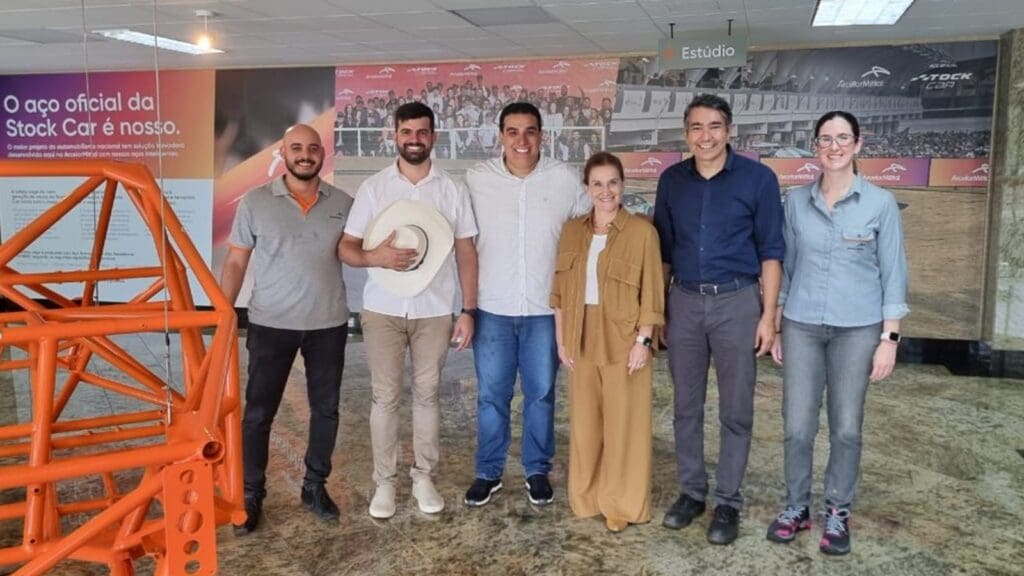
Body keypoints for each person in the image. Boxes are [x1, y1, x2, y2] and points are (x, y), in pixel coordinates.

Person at [766, 111, 909, 556]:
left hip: (858, 331)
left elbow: (894, 274)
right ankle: (795, 507)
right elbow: (786, 270)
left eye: (842, 137)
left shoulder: (880, 204)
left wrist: (890, 339)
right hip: (802, 326)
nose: (834, 146)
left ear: (858, 144)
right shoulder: (795, 204)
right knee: (796, 427)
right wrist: (776, 326)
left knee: (846, 427)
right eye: (825, 138)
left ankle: (837, 511)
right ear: (815, 146)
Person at [653, 93, 784, 545]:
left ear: (729, 131)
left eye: (713, 127)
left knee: (736, 410)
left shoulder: (758, 179)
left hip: (738, 303)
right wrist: (659, 311)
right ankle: (691, 492)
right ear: (685, 133)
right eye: (696, 127)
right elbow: (664, 254)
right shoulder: (671, 181)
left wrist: (769, 316)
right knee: (685, 407)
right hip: (684, 302)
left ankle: (728, 501)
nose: (704, 136)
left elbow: (771, 252)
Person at [339, 102, 478, 519]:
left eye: (421, 132)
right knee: (384, 398)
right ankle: (384, 484)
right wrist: (375, 257)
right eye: (406, 132)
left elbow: (467, 251)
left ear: (433, 137)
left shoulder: (451, 190)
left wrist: (468, 309)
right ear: (394, 136)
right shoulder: (375, 188)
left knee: (428, 395)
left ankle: (423, 476)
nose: (414, 139)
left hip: (434, 311)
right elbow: (347, 247)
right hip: (382, 310)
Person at [221, 124, 352, 534]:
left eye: (313, 148)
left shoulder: (344, 202)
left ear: (322, 154)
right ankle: (250, 492)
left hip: (327, 324)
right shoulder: (256, 202)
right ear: (283, 152)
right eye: (297, 148)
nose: (305, 154)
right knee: (258, 415)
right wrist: (222, 313)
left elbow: (356, 250)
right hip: (270, 324)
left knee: (326, 411)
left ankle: (314, 486)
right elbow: (237, 262)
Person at [464, 102, 590, 507]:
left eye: (531, 131)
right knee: (491, 396)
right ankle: (488, 471)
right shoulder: (475, 180)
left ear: (543, 135)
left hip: (544, 311)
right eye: (513, 131)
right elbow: (460, 241)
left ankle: (537, 469)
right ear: (500, 135)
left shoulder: (566, 180)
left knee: (541, 394)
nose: (522, 140)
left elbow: (592, 230)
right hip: (492, 309)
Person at [551, 152, 664, 533]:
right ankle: (586, 497)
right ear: (587, 188)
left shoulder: (642, 233)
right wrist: (561, 339)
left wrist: (643, 341)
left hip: (624, 339)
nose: (605, 191)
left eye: (612, 182)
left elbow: (652, 293)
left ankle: (621, 503)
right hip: (580, 336)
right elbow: (560, 293)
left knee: (624, 426)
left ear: (622, 185)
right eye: (597, 184)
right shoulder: (571, 231)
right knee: (585, 425)